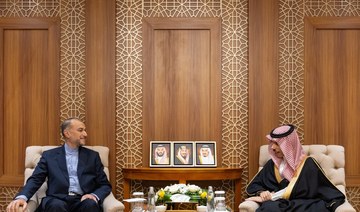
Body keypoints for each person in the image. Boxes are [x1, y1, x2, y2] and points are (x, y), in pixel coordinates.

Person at [6, 118, 111, 212]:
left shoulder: (93, 156)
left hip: (82, 200)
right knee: (56, 206)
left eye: (84, 130)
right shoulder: (49, 156)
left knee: (91, 205)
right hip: (56, 199)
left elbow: (105, 185)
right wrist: (22, 197)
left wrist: (94, 195)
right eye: (80, 130)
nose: (85, 134)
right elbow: (36, 179)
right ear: (67, 133)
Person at [245, 124, 345, 212]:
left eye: (277, 143)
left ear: (288, 145)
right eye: (272, 143)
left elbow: (302, 190)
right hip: (280, 203)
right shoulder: (273, 164)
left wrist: (272, 196)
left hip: (304, 204)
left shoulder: (308, 164)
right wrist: (263, 193)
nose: (272, 147)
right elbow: (255, 185)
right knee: (269, 208)